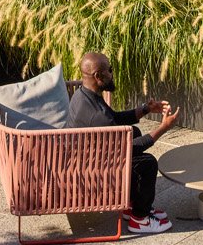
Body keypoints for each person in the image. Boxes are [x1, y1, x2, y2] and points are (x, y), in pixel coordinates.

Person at [66, 51, 180, 234]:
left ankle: (132, 205)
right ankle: (140, 219)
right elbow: (128, 147)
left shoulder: (83, 95)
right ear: (98, 76)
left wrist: (145, 109)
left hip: (86, 156)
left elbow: (114, 118)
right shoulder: (97, 115)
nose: (112, 74)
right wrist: (164, 127)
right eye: (110, 70)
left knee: (133, 131)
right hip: (90, 171)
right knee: (147, 163)